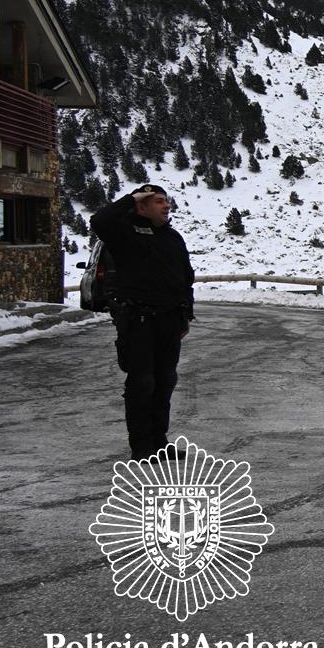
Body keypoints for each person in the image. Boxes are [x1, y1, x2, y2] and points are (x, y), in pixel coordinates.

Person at [90, 185, 195, 461]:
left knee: (165, 381)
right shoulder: (124, 234)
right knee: (142, 383)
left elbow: (185, 278)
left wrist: (186, 314)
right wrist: (130, 199)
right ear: (142, 207)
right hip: (137, 321)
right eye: (158, 202)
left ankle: (160, 442)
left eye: (166, 201)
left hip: (169, 320)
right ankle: (142, 446)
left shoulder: (172, 238)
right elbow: (100, 221)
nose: (166, 206)